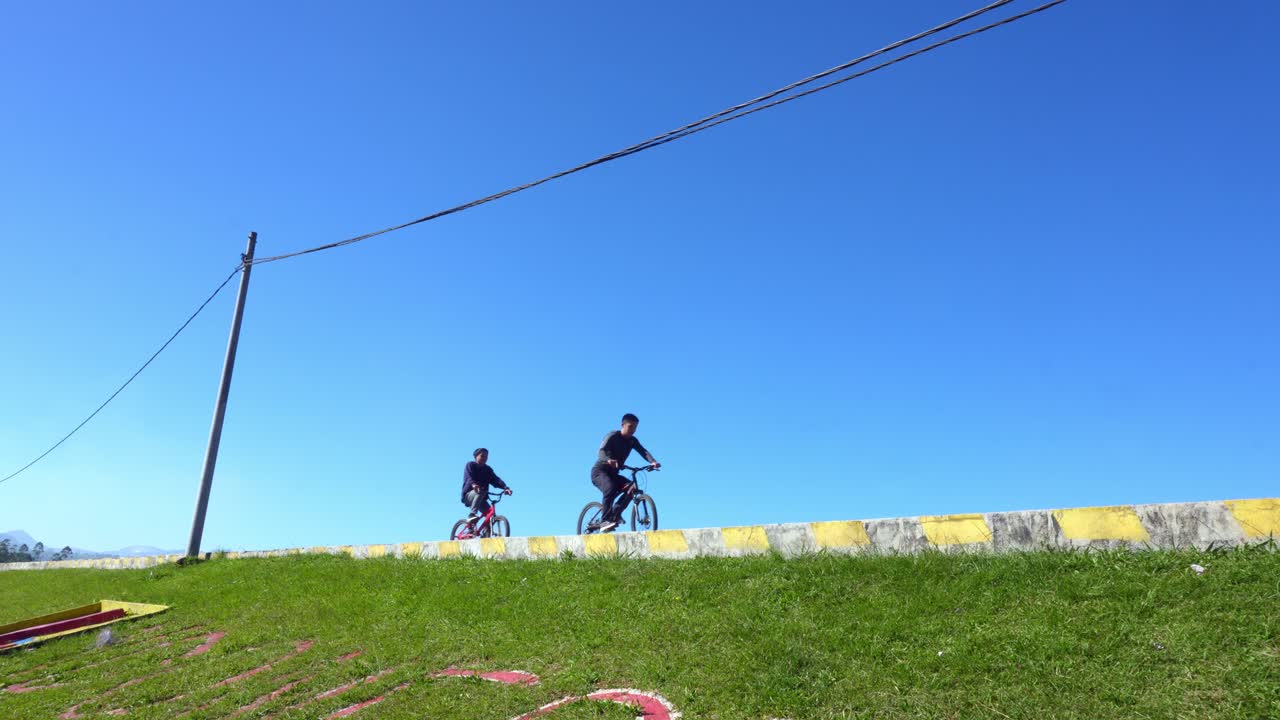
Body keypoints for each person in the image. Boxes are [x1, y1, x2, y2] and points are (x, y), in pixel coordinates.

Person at [591, 413, 660, 531]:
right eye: (630, 427)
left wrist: (653, 462)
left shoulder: (632, 441)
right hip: (599, 472)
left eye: (635, 428)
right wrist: (608, 460)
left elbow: (643, 451)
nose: (633, 430)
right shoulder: (613, 436)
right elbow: (601, 451)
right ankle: (604, 520)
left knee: (631, 488)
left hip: (613, 475)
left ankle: (615, 513)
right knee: (610, 488)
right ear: (622, 425)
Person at [461, 448, 512, 526]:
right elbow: (469, 477)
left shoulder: (487, 470)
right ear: (476, 456)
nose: (484, 458)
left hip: (481, 498)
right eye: (482, 456)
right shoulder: (470, 465)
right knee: (481, 490)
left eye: (486, 457)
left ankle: (485, 533)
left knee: (490, 516)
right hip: (468, 496)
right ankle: (472, 514)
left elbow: (495, 479)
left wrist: (505, 487)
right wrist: (473, 484)